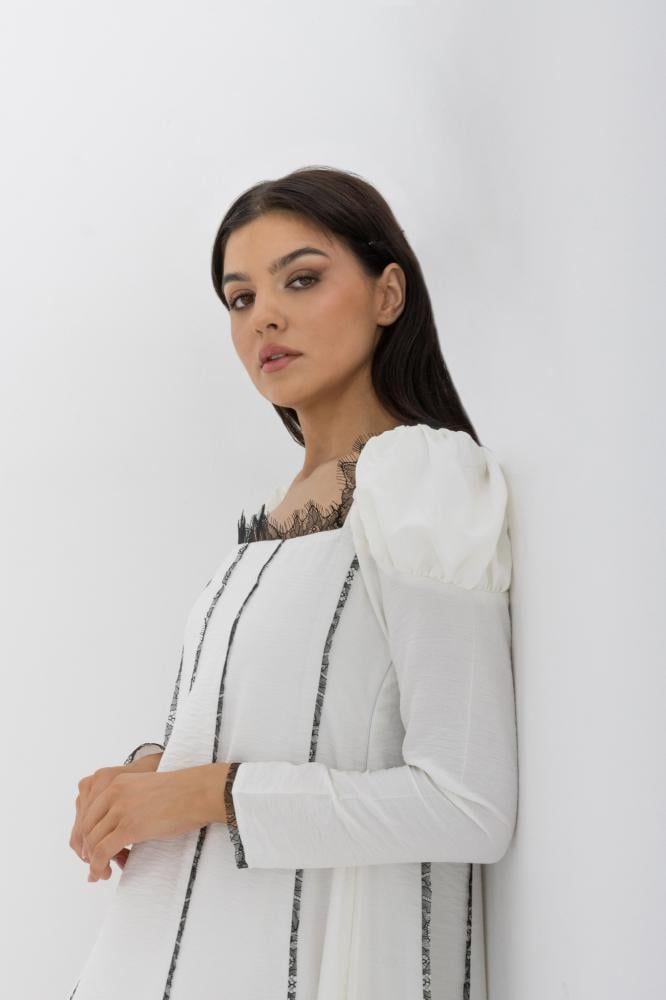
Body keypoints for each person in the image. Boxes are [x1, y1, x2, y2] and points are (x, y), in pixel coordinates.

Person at [67, 165, 518, 1000]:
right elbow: (283, 729)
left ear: (388, 294)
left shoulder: (421, 482)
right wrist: (148, 775)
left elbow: (467, 805)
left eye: (301, 280)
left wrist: (207, 793)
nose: (263, 317)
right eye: (240, 298)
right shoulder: (275, 517)